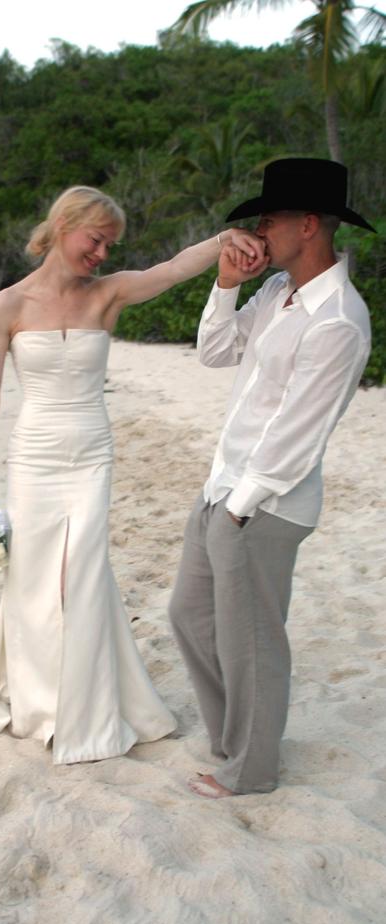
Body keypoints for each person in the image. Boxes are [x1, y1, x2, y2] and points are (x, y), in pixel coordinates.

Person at [0, 185, 263, 764]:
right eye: (97, 240)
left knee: (83, 574)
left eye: (111, 245)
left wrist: (222, 241)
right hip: (33, 457)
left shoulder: (107, 296)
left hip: (91, 454)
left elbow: (169, 270)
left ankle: (83, 709)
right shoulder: (7, 306)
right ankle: (38, 702)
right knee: (34, 580)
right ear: (64, 225)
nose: (103, 254)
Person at [169, 158, 373, 797]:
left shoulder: (338, 317)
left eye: (270, 219)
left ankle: (250, 769)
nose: (259, 230)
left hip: (263, 504)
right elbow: (214, 352)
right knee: (189, 617)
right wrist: (227, 283)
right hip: (222, 486)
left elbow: (298, 433)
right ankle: (233, 741)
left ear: (308, 225)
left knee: (251, 641)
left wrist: (240, 507)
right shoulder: (277, 293)